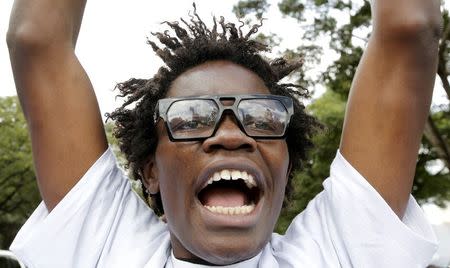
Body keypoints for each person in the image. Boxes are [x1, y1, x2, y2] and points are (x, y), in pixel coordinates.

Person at [6, 0, 442, 267]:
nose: (232, 136)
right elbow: (36, 39)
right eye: (191, 119)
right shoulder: (105, 247)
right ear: (150, 171)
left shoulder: (338, 250)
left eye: (263, 119)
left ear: (286, 167)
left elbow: (410, 26)